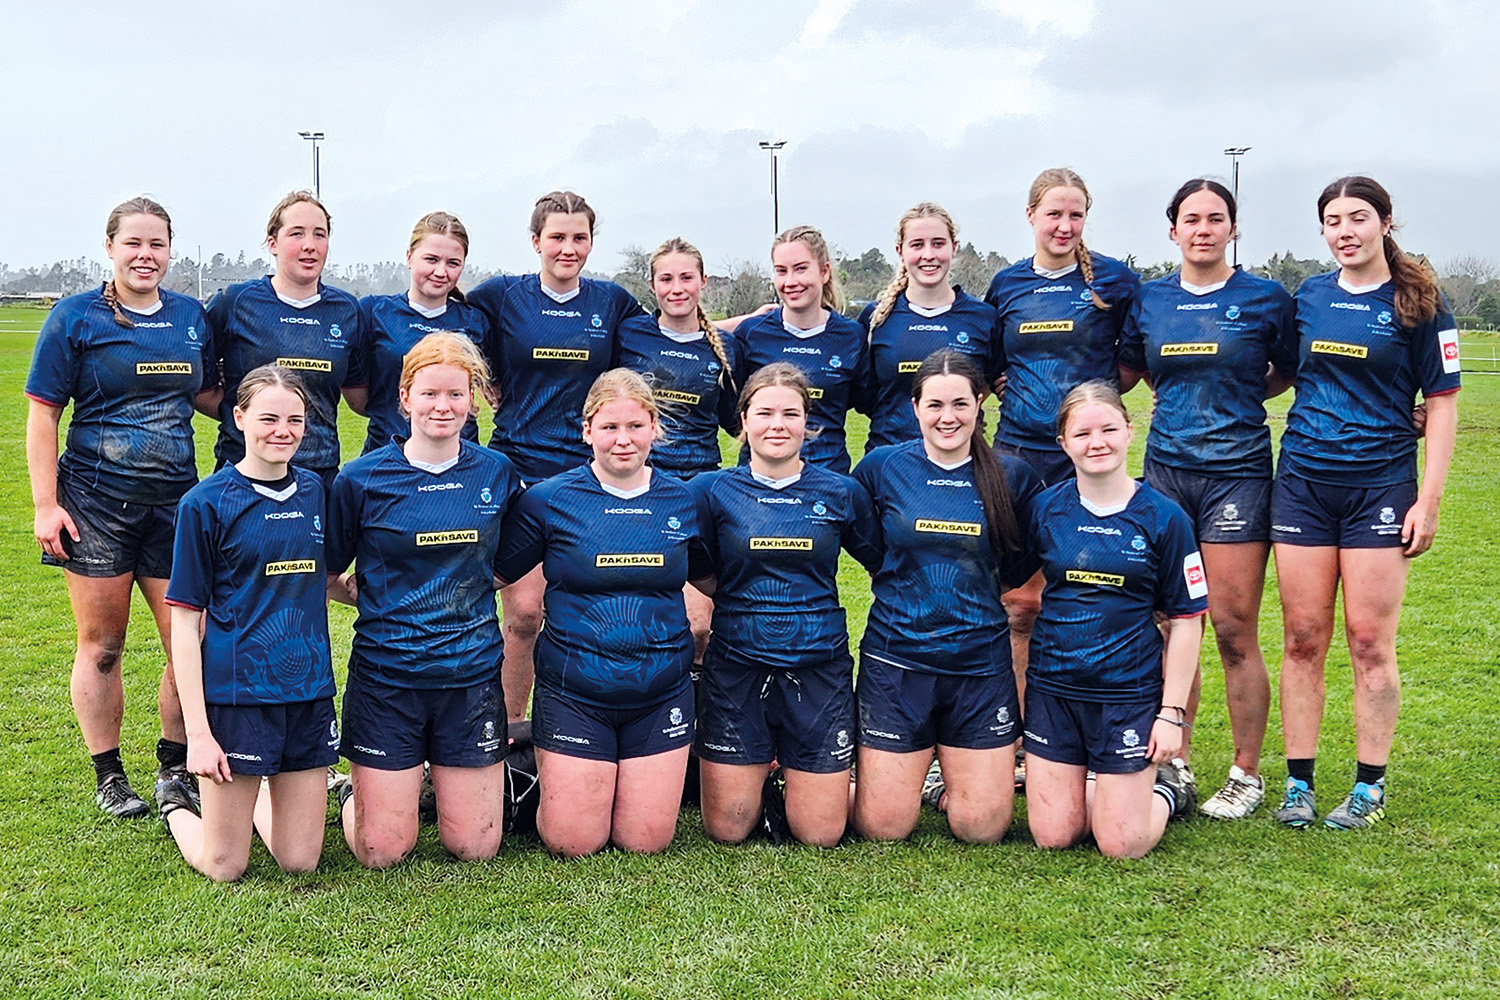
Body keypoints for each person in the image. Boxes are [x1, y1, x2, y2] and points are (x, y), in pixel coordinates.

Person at [1271, 176, 1460, 831]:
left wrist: (1427, 502)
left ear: (1384, 222)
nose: (1344, 230)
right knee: (1302, 639)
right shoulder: (1311, 298)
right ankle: (1298, 786)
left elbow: (1441, 404)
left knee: (1370, 643)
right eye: (1332, 220)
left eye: (1357, 217)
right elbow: (1275, 374)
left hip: (1380, 488)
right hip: (1301, 485)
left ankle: (1368, 790)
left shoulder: (1419, 304)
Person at [25, 196, 215, 818]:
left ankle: (173, 767)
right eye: (133, 243)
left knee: (189, 641)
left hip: (175, 506)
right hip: (96, 506)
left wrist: (275, 417)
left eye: (157, 244)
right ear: (110, 247)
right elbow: (43, 415)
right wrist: (46, 505)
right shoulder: (76, 317)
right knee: (103, 645)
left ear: (170, 251)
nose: (145, 255)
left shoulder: (190, 316)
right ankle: (110, 776)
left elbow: (211, 395)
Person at [1117, 179, 1298, 820]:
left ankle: (1245, 774)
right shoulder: (1150, 299)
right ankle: (1177, 764)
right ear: (1173, 230)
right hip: (1165, 476)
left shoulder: (1266, 299)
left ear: (1231, 228)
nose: (1202, 229)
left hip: (1237, 476)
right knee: (1171, 623)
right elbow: (1128, 373)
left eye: (1215, 219)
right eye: (1190, 219)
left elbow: (1290, 371)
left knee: (1230, 627)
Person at [496, 369, 712, 858]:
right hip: (577, 692)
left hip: (660, 692)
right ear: (587, 429)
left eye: (635, 426)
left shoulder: (683, 500)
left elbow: (717, 580)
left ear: (655, 428)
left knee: (646, 841)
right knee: (573, 841)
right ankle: (536, 764)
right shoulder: (548, 501)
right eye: (610, 427)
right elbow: (490, 574)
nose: (623, 440)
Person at [326, 333, 523, 867]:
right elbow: (324, 572)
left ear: (474, 400)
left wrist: (470, 586)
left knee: (475, 847)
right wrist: (359, 595)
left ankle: (432, 780)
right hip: (389, 677)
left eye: (456, 395)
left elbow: (508, 562)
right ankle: (354, 793)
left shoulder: (495, 473)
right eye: (430, 394)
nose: (444, 406)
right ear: (405, 397)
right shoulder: (360, 479)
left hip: (471, 676)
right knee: (382, 852)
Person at [468, 191, 646, 722]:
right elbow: (444, 319)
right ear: (535, 241)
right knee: (523, 612)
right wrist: (485, 377)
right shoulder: (501, 296)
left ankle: (581, 723)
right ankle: (506, 733)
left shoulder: (611, 302)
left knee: (590, 607)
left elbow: (671, 332)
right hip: (519, 473)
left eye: (579, 238)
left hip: (590, 478)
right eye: (557, 237)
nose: (568, 249)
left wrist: (741, 322)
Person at [851, 349, 1041, 844]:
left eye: (960, 403)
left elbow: (1020, 561)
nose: (947, 417)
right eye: (934, 405)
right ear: (915, 407)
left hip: (978, 665)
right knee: (883, 827)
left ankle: (946, 776)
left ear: (980, 403)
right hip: (897, 662)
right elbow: (869, 544)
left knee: (981, 828)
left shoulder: (1013, 476)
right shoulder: (881, 468)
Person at [690, 363, 881, 847]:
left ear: (808, 423)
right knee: (729, 828)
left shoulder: (841, 491)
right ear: (744, 420)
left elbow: (887, 565)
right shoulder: (710, 492)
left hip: (818, 664)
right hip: (737, 664)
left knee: (820, 834)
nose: (778, 424)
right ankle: (764, 772)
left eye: (790, 414)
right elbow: (688, 560)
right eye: (765, 412)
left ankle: (831, 781)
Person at [157, 365, 336, 880]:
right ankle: (176, 808)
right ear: (238, 418)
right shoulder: (205, 504)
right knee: (224, 867)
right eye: (269, 418)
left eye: (296, 420)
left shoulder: (316, 493)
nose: (283, 430)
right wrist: (199, 734)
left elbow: (321, 578)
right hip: (238, 699)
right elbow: (186, 626)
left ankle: (253, 797)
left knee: (299, 862)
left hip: (307, 694)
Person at [984, 168, 1141, 740]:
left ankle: (1096, 723)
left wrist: (1089, 412)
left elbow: (1130, 365)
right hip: (1019, 458)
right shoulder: (1006, 286)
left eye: (1076, 214)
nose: (1065, 225)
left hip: (1089, 459)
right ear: (1031, 216)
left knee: (1096, 593)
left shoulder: (1118, 283)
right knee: (1019, 604)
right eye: (1054, 213)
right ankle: (1014, 733)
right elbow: (994, 361)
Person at [1024, 381, 1205, 859]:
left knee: (1122, 844)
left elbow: (1186, 622)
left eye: (1108, 429)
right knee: (1053, 836)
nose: (1096, 442)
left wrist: (1171, 715)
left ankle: (1166, 790)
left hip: (1128, 695)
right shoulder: (1045, 510)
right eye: (1082, 434)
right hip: (1054, 690)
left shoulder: (1165, 518)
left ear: (1129, 430)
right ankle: (1104, 784)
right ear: (1063, 443)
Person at [614, 237, 742, 664]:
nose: (677, 288)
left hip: (697, 491)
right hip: (639, 487)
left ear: (703, 281)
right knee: (633, 615)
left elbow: (734, 420)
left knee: (698, 625)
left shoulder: (724, 348)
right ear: (652, 285)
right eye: (666, 279)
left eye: (686, 277)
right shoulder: (630, 334)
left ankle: (697, 718)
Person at [204, 190, 366, 492]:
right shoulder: (234, 303)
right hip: (243, 472)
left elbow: (360, 396)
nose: (310, 245)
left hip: (319, 476)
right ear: (272, 243)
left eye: (320, 234)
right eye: (297, 234)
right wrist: (238, 411)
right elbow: (199, 386)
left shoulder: (346, 311)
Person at [859, 202, 1002, 450]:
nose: (928, 255)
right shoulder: (875, 318)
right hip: (890, 462)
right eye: (917, 245)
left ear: (953, 248)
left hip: (965, 461)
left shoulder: (984, 318)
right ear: (900, 251)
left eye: (938, 243)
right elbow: (863, 395)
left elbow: (991, 382)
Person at [735, 226, 868, 474]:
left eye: (800, 269)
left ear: (824, 271)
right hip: (758, 479)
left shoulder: (852, 336)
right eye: (781, 271)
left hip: (828, 476)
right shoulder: (751, 334)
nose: (790, 282)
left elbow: (864, 402)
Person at [358, 211, 489, 453]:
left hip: (460, 460)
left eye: (452, 263)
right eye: (431, 259)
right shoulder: (373, 312)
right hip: (387, 455)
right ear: (409, 257)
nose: (441, 272)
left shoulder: (476, 321)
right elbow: (357, 395)